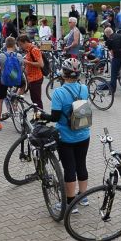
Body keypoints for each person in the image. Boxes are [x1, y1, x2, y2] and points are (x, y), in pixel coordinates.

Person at [39, 58, 90, 210]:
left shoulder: (59, 93)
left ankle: (70, 203)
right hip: (84, 134)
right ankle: (83, 197)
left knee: (69, 168)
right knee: (81, 164)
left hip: (66, 137)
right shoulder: (84, 89)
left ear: (63, 73)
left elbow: (55, 117)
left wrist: (41, 116)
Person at [0, 36, 24, 131]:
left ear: (5, 44)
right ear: (14, 45)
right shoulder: (19, 56)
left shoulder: (0, 56)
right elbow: (21, 70)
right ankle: (16, 102)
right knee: (23, 85)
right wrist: (15, 76)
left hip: (4, 81)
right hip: (16, 80)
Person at [17, 35, 44, 109]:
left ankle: (40, 117)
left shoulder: (34, 50)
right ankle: (37, 116)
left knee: (36, 101)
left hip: (36, 78)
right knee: (34, 100)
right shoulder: (28, 50)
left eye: (21, 44)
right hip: (31, 78)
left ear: (25, 42)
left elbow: (41, 64)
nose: (20, 47)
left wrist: (27, 62)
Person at [105, 25, 121, 94]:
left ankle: (112, 91)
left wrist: (113, 58)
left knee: (114, 74)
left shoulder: (109, 40)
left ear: (107, 34)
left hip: (117, 58)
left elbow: (111, 52)